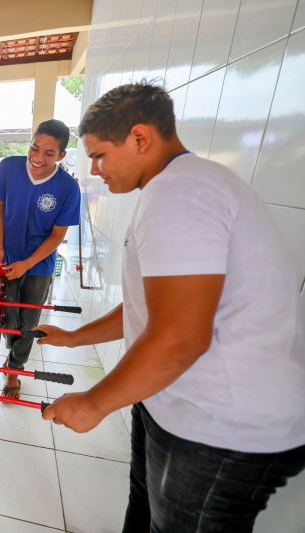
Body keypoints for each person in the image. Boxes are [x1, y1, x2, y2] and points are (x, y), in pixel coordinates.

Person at [38, 83, 305, 532]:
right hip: (177, 404)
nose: (95, 169)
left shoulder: (179, 194)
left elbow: (180, 334)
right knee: (143, 512)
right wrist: (74, 336)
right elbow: (153, 308)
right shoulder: (181, 186)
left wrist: (93, 403)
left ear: (140, 138)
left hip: (220, 427)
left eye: (100, 154)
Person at [0, 119, 81, 399]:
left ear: (61, 156)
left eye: (49, 153)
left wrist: (26, 265)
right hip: (6, 258)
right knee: (8, 318)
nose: (38, 158)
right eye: (35, 148)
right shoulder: (8, 167)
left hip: (39, 266)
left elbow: (56, 236)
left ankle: (14, 371)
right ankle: (12, 361)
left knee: (28, 324)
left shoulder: (68, 188)